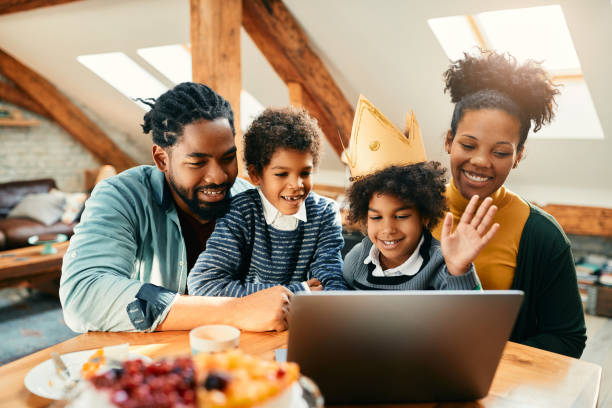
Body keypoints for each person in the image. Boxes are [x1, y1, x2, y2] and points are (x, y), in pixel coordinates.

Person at [60, 82, 292, 333]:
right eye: (197, 162)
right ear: (162, 159)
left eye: (227, 158)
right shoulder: (121, 196)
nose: (217, 176)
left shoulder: (251, 201)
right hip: (152, 362)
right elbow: (83, 294)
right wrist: (233, 310)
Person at [431, 50, 586, 357]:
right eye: (468, 144)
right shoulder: (407, 210)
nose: (480, 161)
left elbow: (567, 338)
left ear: (518, 156)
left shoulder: (542, 236)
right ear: (449, 140)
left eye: (500, 152)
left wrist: (489, 359)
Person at [188, 107, 347, 297]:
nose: (296, 185)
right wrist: (298, 290)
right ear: (256, 175)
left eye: (305, 173)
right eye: (281, 174)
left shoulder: (325, 212)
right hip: (252, 323)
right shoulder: (239, 212)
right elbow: (204, 285)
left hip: (304, 320)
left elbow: (333, 279)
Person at [343, 163, 498, 290]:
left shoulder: (442, 265)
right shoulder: (357, 259)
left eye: (401, 216)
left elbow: (470, 320)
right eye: (376, 217)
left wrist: (459, 271)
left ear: (424, 217)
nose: (388, 229)